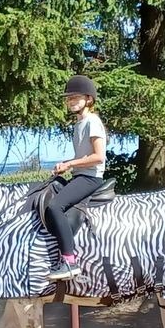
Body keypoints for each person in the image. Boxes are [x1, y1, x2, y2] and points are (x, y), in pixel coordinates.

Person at [44, 75, 108, 281]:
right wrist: (65, 165)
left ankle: (70, 261)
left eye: (75, 98)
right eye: (68, 98)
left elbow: (99, 157)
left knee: (55, 207)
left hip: (91, 178)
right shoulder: (78, 125)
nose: (70, 101)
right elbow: (83, 156)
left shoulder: (93, 122)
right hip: (80, 174)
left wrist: (71, 163)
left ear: (88, 99)